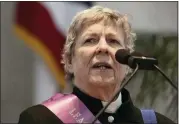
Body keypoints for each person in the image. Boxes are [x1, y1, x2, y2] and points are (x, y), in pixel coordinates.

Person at [18, 6, 175, 124]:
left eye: (113, 41)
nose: (103, 48)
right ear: (69, 61)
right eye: (90, 40)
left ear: (127, 65)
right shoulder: (40, 119)